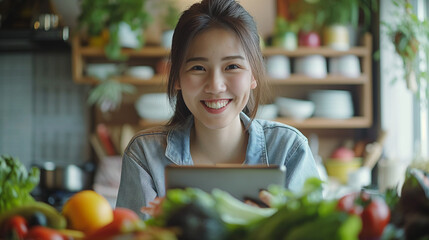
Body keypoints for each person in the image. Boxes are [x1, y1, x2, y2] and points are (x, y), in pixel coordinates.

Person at [116, 0, 320, 219]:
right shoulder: (145, 155)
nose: (215, 85)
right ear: (176, 77)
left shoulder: (289, 150)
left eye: (232, 66)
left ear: (253, 75)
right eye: (198, 68)